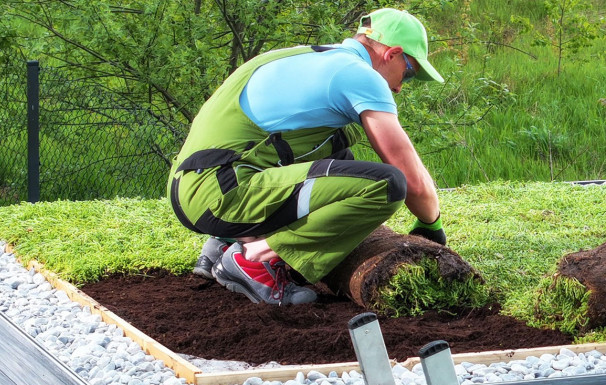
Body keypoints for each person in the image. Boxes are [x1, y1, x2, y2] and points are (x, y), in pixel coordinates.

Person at [169, 8, 448, 305]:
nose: (400, 87)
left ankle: (224, 243)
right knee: (386, 185)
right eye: (409, 73)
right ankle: (254, 259)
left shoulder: (296, 57)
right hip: (222, 194)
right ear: (392, 53)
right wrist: (431, 226)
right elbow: (412, 181)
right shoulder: (359, 75)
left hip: (195, 186)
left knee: (340, 156)